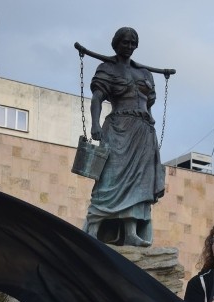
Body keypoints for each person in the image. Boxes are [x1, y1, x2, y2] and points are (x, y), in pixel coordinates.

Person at [83, 27, 165, 247]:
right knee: (110, 178)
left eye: (132, 43)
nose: (129, 47)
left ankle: (130, 231)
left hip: (143, 131)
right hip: (119, 127)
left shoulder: (144, 73)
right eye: (125, 42)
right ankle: (93, 226)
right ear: (116, 44)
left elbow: (149, 104)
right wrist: (95, 124)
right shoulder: (107, 68)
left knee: (140, 181)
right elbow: (97, 99)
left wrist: (151, 124)